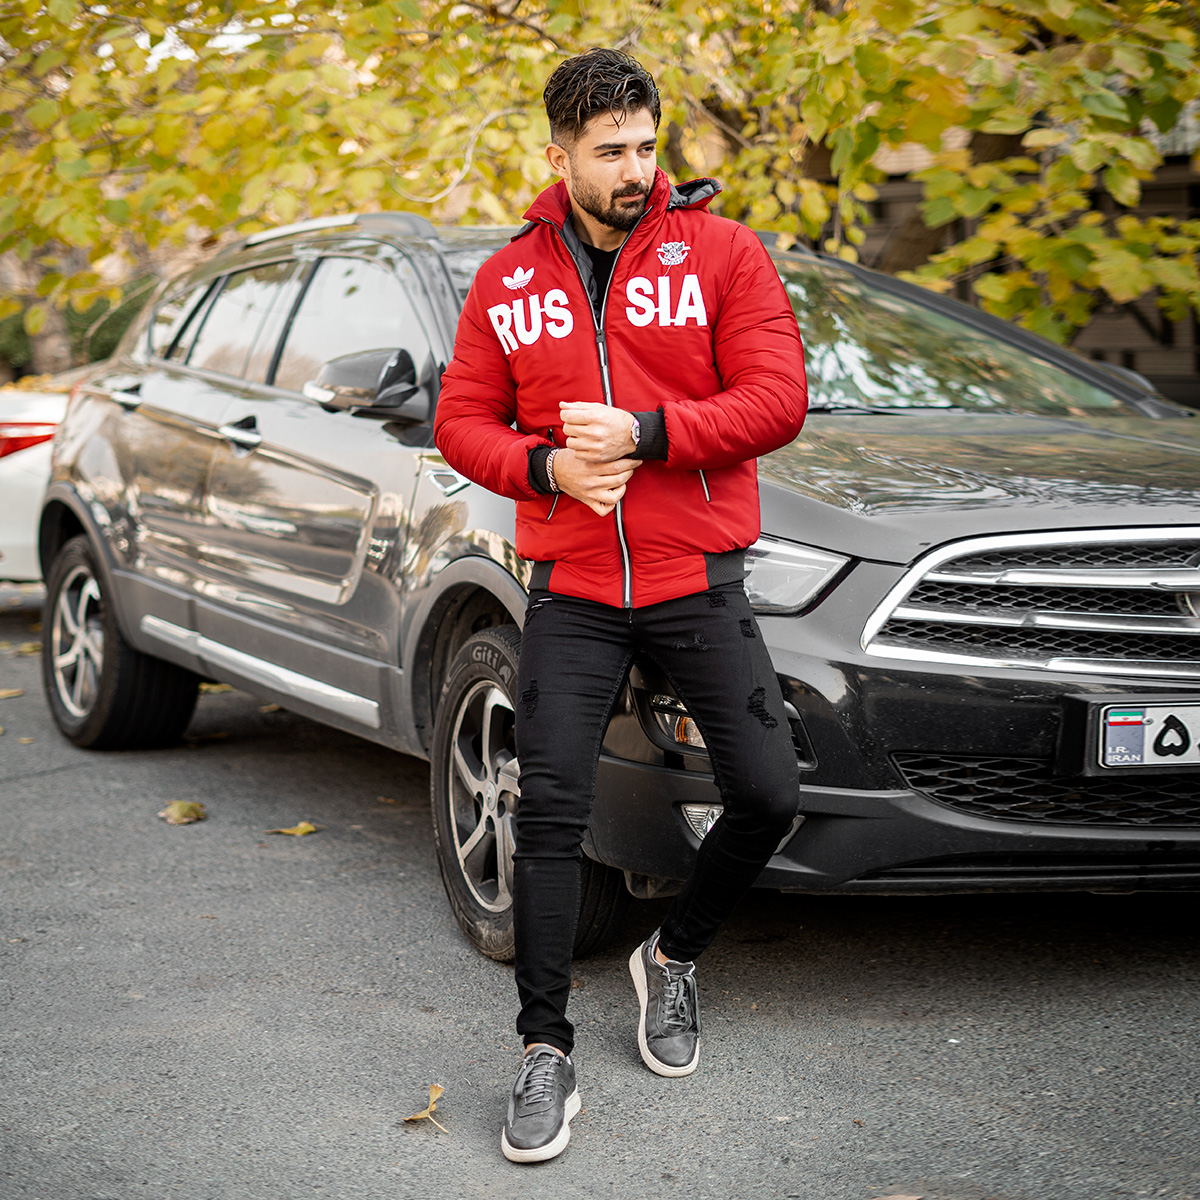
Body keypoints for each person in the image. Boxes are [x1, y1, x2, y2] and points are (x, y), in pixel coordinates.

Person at [434, 47, 808, 1163]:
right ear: (561, 157)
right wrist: (546, 468)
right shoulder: (508, 280)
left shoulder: (723, 254)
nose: (636, 169)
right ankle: (543, 1049)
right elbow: (459, 422)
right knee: (548, 811)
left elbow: (777, 400)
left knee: (768, 791)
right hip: (576, 588)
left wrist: (649, 436)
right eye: (610, 152)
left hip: (697, 575)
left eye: (646, 146)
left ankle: (671, 956)